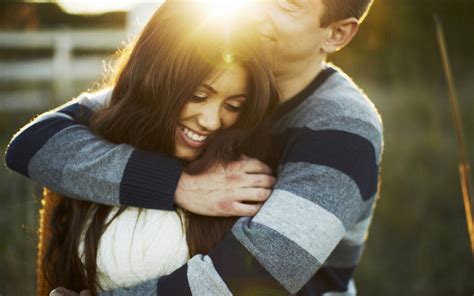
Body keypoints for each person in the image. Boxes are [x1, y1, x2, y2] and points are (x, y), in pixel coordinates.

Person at [5, 0, 383, 295]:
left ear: (336, 34)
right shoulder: (224, 75)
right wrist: (178, 185)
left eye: (286, 6)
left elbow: (263, 273)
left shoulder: (342, 127)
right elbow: (36, 144)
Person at [25, 2, 279, 295]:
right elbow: (26, 144)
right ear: (157, 80)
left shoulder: (246, 177)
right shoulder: (93, 148)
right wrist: (178, 186)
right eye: (197, 95)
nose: (211, 121)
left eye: (234, 105)